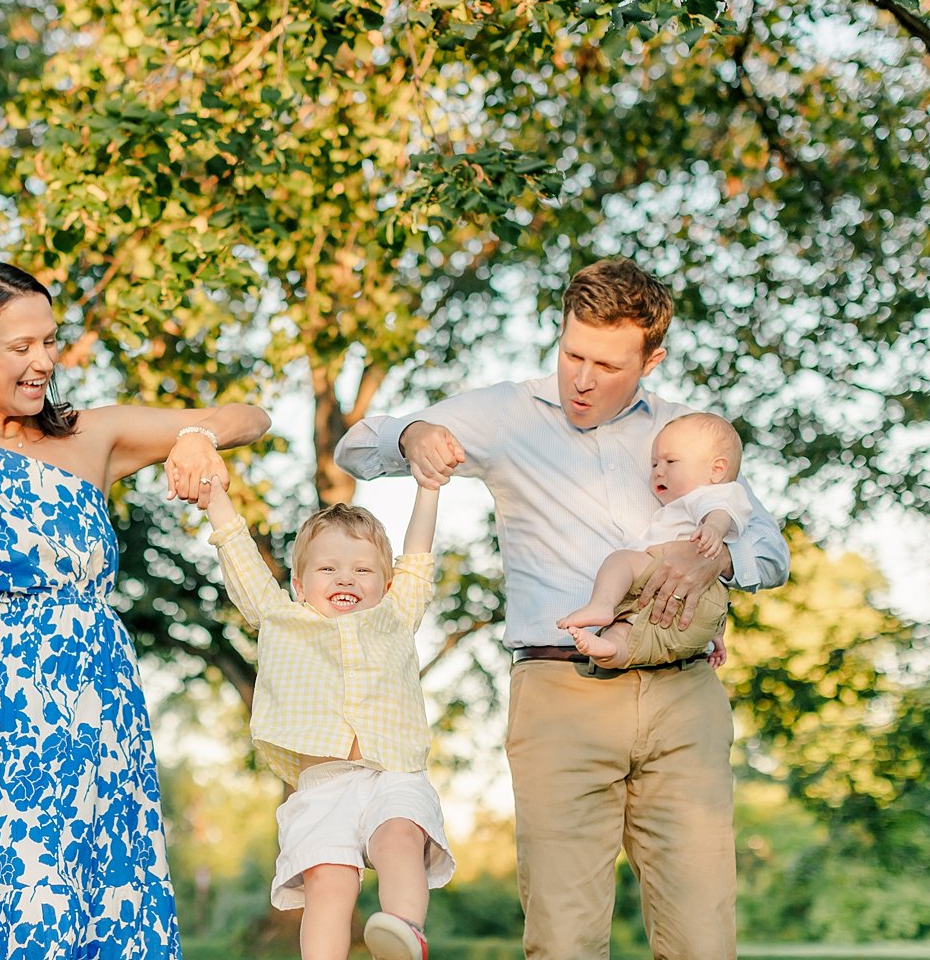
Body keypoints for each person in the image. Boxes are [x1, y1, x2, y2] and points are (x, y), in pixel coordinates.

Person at [334, 258, 789, 960]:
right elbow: (356, 446)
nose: (581, 378)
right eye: (571, 353)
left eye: (606, 364)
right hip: (560, 693)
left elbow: (770, 550)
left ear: (651, 358)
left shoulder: (689, 434)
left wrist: (717, 558)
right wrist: (412, 436)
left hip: (685, 695)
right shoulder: (504, 412)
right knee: (564, 940)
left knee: (704, 938)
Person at [0, 262, 270, 959]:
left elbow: (249, 417)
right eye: (21, 347)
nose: (45, 360)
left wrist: (199, 435)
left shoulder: (89, 437)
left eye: (51, 340)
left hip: (97, 729)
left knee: (102, 918)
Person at [192, 475, 454, 960]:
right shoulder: (280, 618)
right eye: (328, 568)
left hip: (391, 773)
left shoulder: (395, 616)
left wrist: (429, 487)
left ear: (387, 584)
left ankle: (403, 934)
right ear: (299, 584)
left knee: (399, 836)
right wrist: (215, 498)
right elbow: (241, 557)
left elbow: (418, 557)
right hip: (322, 786)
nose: (345, 578)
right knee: (327, 883)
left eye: (362, 570)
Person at [557, 411, 753, 672]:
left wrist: (714, 530)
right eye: (654, 465)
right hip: (691, 613)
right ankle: (610, 650)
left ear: (716, 469)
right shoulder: (684, 504)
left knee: (621, 560)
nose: (659, 471)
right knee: (623, 631)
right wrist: (715, 633)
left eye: (670, 461)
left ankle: (601, 604)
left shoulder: (710, 494)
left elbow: (720, 512)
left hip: (673, 574)